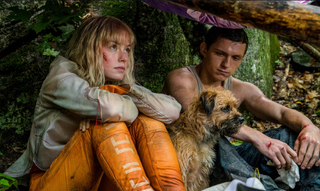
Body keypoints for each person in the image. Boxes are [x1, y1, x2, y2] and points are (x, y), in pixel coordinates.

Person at [4, 16, 186, 191]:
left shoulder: (116, 84)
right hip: (52, 180)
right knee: (105, 124)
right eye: (113, 47)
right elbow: (110, 107)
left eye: (128, 49)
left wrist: (126, 92)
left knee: (149, 122)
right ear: (89, 48)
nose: (124, 57)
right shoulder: (61, 79)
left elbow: (173, 111)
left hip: (102, 181)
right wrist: (113, 109)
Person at [162, 26, 320, 190]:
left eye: (235, 57)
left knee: (293, 135)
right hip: (197, 160)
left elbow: (281, 112)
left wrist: (309, 127)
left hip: (234, 159)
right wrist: (257, 137)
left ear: (243, 58)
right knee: (215, 134)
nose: (226, 64)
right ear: (204, 49)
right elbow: (193, 111)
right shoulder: (182, 78)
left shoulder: (240, 88)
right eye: (220, 54)